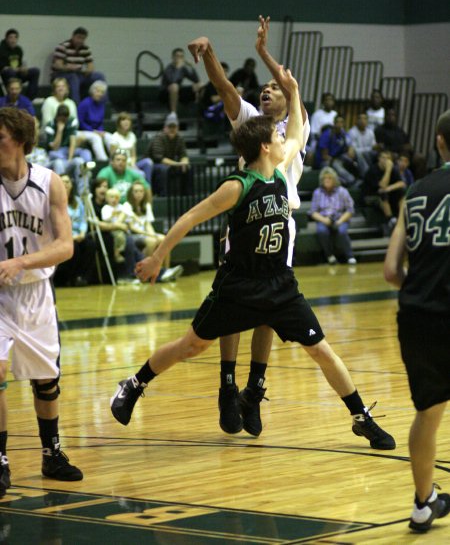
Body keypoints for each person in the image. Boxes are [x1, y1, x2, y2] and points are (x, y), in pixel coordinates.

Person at [110, 67, 395, 455]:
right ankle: (135, 384)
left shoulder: (278, 170)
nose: (282, 139)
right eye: (275, 137)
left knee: (321, 349)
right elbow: (189, 218)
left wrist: (294, 90)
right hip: (238, 285)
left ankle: (361, 416)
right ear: (263, 146)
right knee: (192, 345)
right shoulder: (237, 186)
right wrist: (159, 255)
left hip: (280, 283)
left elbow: (295, 133)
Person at [187, 17, 309, 438]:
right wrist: (210, 53)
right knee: (237, 306)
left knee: (269, 313)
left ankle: (254, 389)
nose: (268, 89)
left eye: (274, 87)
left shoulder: (296, 127)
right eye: (265, 87)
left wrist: (264, 55)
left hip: (281, 224)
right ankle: (227, 385)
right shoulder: (251, 122)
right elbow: (224, 88)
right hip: (246, 220)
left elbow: (293, 91)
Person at [0, 108, 82, 498]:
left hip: (35, 292)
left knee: (46, 381)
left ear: (18, 140)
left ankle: (51, 453)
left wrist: (20, 262)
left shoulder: (50, 182)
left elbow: (65, 246)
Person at [384, 109, 450, 533]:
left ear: (440, 143)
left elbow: (391, 270)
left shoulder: (415, 192)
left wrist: (422, 286)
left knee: (428, 413)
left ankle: (423, 504)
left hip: (419, 317)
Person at [123, 180, 183, 282]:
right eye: (136, 191)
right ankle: (146, 272)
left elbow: (148, 224)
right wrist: (150, 235)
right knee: (151, 241)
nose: (138, 194)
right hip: (133, 235)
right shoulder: (126, 206)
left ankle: (166, 271)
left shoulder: (146, 206)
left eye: (141, 191)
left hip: (145, 234)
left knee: (164, 239)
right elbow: (132, 227)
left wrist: (153, 234)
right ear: (131, 193)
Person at [53, 174, 97, 287]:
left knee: (90, 244)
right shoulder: (53, 200)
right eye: (62, 181)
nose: (65, 184)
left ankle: (83, 277)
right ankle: (70, 278)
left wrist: (82, 233)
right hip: (63, 235)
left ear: (72, 185)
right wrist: (70, 236)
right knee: (74, 248)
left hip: (79, 234)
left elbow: (83, 219)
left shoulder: (77, 201)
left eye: (68, 182)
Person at [310, 167, 356, 265]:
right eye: (324, 178)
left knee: (342, 231)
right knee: (322, 231)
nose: (326, 180)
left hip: (340, 218)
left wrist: (340, 221)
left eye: (329, 178)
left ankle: (350, 256)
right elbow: (313, 212)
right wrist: (324, 220)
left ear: (335, 180)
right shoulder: (317, 192)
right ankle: (330, 256)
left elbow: (350, 210)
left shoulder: (343, 191)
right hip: (324, 219)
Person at [51, 27, 106, 104]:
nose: (80, 40)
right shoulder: (63, 47)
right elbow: (58, 65)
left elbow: (91, 65)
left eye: (83, 38)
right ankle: (76, 105)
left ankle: (104, 103)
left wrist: (88, 71)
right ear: (73, 36)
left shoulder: (85, 48)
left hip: (79, 73)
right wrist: (68, 67)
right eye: (78, 38)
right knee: (74, 77)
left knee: (99, 75)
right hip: (62, 74)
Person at [45, 104, 91, 193]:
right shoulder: (50, 125)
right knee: (58, 161)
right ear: (57, 117)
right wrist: (60, 130)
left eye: (65, 119)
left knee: (82, 157)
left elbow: (73, 142)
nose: (63, 121)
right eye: (61, 119)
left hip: (68, 153)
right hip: (56, 153)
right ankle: (61, 192)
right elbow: (54, 147)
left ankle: (83, 193)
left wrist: (70, 159)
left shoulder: (71, 121)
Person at [148, 113, 192, 196]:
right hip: (154, 164)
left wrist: (184, 163)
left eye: (174, 127)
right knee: (164, 169)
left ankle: (187, 195)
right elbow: (159, 158)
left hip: (170, 163)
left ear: (177, 128)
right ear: (165, 128)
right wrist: (178, 164)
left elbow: (183, 154)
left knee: (188, 168)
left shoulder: (179, 138)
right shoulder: (159, 138)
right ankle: (163, 195)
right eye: (169, 127)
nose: (172, 129)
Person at [363, 150, 406, 234]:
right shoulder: (373, 170)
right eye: (383, 158)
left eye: (388, 158)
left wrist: (389, 188)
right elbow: (382, 185)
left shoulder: (393, 169)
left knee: (401, 192)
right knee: (383, 194)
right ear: (379, 159)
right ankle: (391, 219)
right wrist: (388, 170)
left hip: (386, 192)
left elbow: (401, 183)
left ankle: (402, 218)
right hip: (370, 196)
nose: (386, 160)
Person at [314, 114, 360, 187]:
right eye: (337, 122)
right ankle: (352, 181)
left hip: (336, 157)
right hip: (324, 161)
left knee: (354, 157)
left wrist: (351, 149)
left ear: (344, 124)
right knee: (337, 164)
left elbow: (350, 144)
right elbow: (324, 156)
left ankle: (360, 177)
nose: (339, 124)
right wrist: (337, 160)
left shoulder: (343, 134)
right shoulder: (327, 135)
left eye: (341, 122)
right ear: (334, 123)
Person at [109, 112, 153, 184]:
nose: (126, 122)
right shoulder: (114, 137)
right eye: (123, 120)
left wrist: (132, 164)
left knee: (148, 162)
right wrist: (127, 166)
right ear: (119, 123)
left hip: (132, 164)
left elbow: (133, 155)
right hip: (121, 164)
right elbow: (113, 158)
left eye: (128, 120)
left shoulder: (132, 135)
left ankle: (148, 188)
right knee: (141, 174)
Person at [76, 80, 112, 161]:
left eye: (102, 92)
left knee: (109, 136)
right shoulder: (85, 103)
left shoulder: (101, 105)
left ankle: (115, 158)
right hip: (83, 130)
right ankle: (103, 160)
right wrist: (93, 131)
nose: (99, 94)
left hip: (95, 130)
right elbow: (80, 122)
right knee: (96, 138)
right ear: (92, 91)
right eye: (97, 91)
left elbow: (100, 122)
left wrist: (101, 131)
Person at [160, 48, 203, 113]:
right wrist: (178, 68)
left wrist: (191, 67)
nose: (179, 58)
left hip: (178, 91)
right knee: (174, 86)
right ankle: (173, 113)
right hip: (166, 93)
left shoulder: (183, 68)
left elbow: (196, 80)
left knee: (200, 85)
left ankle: (198, 110)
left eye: (181, 56)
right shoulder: (168, 68)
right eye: (177, 56)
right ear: (173, 57)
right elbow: (172, 81)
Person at [0, 29, 40, 98]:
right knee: (10, 72)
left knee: (35, 71)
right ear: (6, 39)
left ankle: (29, 98)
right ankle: (15, 97)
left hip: (17, 73)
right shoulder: (1, 49)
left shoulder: (18, 50)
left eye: (15, 38)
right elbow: (4, 68)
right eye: (11, 38)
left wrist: (23, 69)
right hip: (6, 75)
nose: (13, 40)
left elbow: (19, 64)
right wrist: (18, 69)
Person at [101, 188, 128, 263]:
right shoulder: (106, 208)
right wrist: (112, 215)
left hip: (121, 227)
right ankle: (117, 253)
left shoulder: (121, 207)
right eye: (111, 197)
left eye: (116, 197)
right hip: (111, 228)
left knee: (123, 237)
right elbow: (105, 220)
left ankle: (119, 251)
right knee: (118, 237)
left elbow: (126, 215)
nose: (114, 200)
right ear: (107, 199)